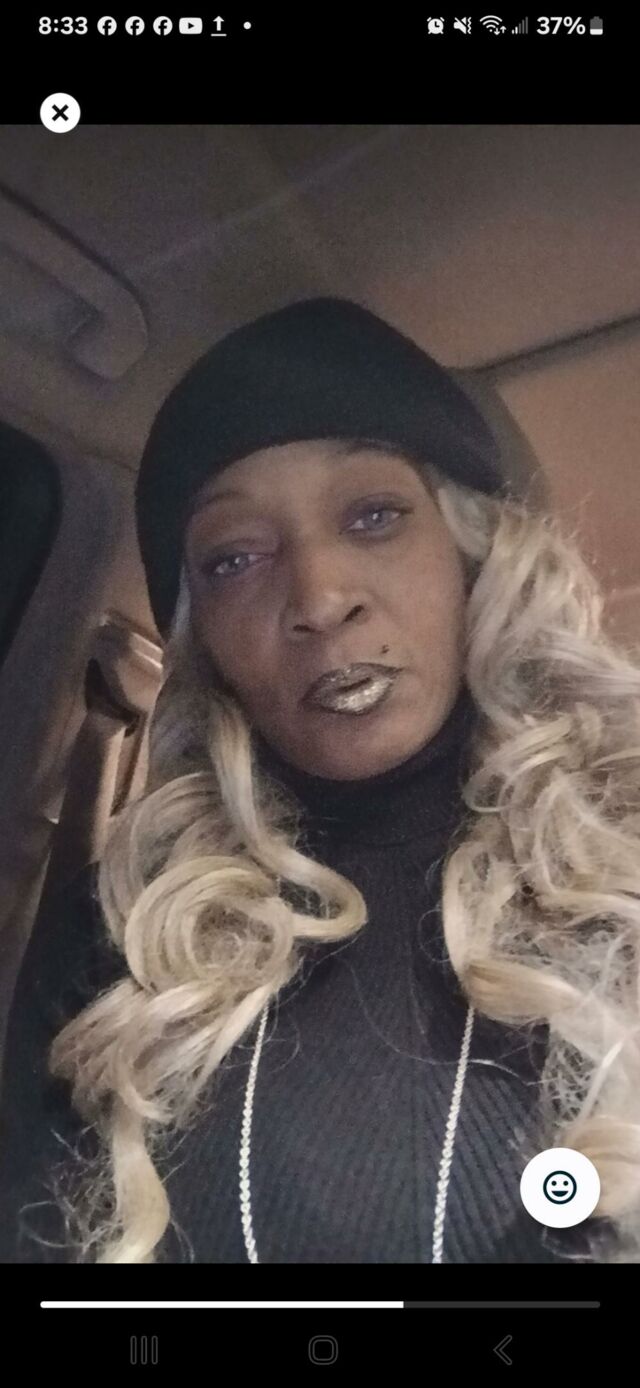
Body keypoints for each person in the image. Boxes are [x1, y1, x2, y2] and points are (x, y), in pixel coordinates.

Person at [1, 296, 639, 1265]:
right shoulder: (126, 927)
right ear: (202, 641)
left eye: (374, 515)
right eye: (235, 558)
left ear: (472, 553)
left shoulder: (623, 841)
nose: (318, 597)